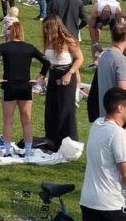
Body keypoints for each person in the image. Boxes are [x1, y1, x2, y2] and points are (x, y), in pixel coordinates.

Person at [80, 88, 126, 221]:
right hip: (108, 206)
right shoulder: (117, 133)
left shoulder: (98, 124)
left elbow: (107, 158)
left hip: (88, 202)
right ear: (120, 108)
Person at [0, 20, 48, 155]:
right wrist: (39, 79)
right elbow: (46, 62)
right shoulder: (29, 47)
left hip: (9, 86)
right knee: (26, 120)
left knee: (8, 121)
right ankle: (27, 150)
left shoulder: (4, 47)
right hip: (25, 86)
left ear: (11, 33)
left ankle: (7, 150)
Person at [42, 15, 83, 152]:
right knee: (51, 108)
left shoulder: (68, 41)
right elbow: (47, 60)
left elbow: (79, 59)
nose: (46, 31)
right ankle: (52, 139)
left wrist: (70, 73)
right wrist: (42, 76)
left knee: (66, 109)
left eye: (49, 28)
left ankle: (68, 140)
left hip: (66, 74)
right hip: (53, 74)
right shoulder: (48, 41)